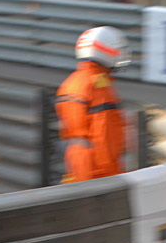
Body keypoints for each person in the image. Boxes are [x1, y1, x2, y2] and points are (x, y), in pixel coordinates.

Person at [55, 26, 130, 183]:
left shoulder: (70, 82)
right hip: (99, 171)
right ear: (103, 50)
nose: (120, 54)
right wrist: (112, 177)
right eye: (116, 49)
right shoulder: (98, 86)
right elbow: (104, 134)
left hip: (77, 164)